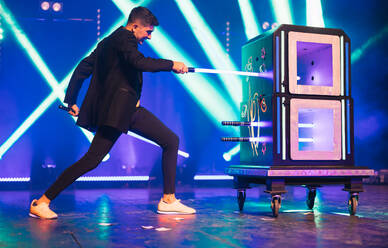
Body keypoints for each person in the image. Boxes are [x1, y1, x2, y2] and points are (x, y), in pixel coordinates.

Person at [29, 6, 196, 219]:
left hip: (125, 111)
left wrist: (70, 99)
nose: (150, 37)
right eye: (148, 31)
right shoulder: (125, 39)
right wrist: (172, 64)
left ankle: (168, 199)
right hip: (119, 113)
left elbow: (82, 68)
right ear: (134, 26)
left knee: (169, 141)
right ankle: (42, 202)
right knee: (93, 160)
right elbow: (139, 62)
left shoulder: (108, 42)